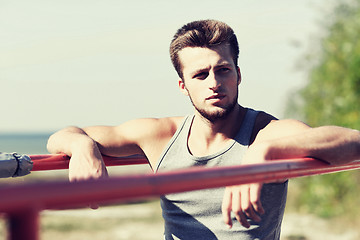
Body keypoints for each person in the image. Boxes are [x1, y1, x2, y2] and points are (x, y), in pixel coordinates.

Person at [47, 20, 360, 239]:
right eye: (200, 75)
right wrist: (83, 148)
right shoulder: (160, 135)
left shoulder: (267, 132)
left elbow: (353, 142)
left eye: (223, 70)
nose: (214, 83)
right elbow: (63, 135)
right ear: (183, 86)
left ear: (238, 75)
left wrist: (265, 153)